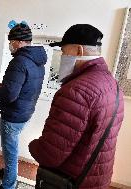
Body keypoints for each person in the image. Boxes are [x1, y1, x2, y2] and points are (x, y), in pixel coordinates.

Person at [29, 24, 124, 189]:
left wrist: (33, 145)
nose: (62, 55)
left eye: (64, 51)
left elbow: (50, 154)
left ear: (79, 50)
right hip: (97, 176)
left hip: (71, 179)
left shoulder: (76, 90)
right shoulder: (111, 84)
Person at [0, 23, 47, 189]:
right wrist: (6, 86)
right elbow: (25, 87)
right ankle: (10, 174)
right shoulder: (38, 61)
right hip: (26, 111)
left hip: (13, 115)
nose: (10, 45)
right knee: (11, 148)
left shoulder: (19, 62)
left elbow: (9, 95)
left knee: (10, 151)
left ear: (19, 42)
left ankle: (9, 185)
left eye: (12, 41)